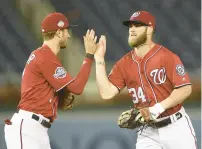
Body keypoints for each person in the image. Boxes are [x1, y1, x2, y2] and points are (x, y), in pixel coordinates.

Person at [95, 11, 197, 149]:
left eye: (137, 25)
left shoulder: (167, 56)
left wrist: (157, 108)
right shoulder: (123, 63)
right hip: (148, 131)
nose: (132, 29)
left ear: (149, 29)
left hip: (176, 127)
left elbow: (185, 88)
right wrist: (99, 60)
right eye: (130, 26)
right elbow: (106, 93)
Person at [4, 12, 98, 149]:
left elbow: (40, 91)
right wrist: (89, 55)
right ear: (59, 33)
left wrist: (57, 99)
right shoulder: (45, 56)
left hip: (37, 128)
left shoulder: (43, 55)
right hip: (28, 127)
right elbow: (77, 88)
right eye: (66, 31)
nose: (69, 35)